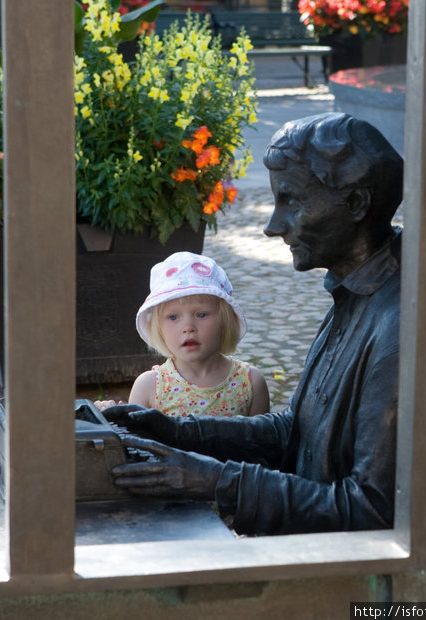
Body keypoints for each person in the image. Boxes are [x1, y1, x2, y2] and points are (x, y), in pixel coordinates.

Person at [103, 112, 404, 536]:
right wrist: (176, 431)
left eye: (291, 201)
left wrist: (213, 481)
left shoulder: (396, 327)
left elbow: (369, 509)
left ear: (355, 204)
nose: (272, 226)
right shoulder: (352, 293)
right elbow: (297, 433)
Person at [96, 251, 270, 417]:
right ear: (159, 328)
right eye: (173, 317)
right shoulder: (150, 386)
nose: (188, 327)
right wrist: (115, 419)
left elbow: (262, 443)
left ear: (225, 321)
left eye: (201, 314)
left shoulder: (251, 382)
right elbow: (136, 443)